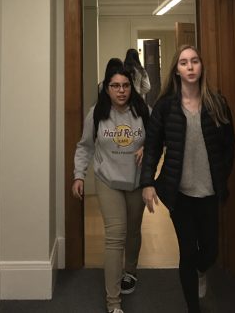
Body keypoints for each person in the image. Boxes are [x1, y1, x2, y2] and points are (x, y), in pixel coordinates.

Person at [140, 45, 235, 313]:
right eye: (184, 62)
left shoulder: (217, 103)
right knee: (188, 252)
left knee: (210, 251)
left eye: (194, 61)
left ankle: (200, 272)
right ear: (176, 70)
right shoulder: (165, 106)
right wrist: (148, 182)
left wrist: (221, 175)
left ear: (201, 66)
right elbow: (152, 146)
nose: (190, 67)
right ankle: (193, 308)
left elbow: (230, 145)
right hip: (179, 194)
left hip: (208, 192)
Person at [72, 61, 150, 313]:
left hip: (136, 181)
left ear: (132, 88)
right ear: (106, 88)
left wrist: (147, 149)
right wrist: (79, 176)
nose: (121, 91)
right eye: (115, 86)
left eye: (125, 85)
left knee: (133, 231)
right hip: (108, 181)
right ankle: (114, 304)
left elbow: (161, 141)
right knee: (115, 236)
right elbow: (85, 146)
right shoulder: (96, 114)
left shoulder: (143, 111)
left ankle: (131, 271)